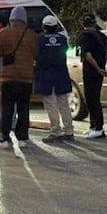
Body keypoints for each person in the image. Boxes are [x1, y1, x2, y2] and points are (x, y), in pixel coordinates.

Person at [0, 6, 39, 149]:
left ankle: (4, 138)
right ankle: (22, 138)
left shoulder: (4, 33)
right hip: (26, 78)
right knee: (23, 109)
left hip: (8, 77)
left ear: (11, 18)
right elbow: (36, 53)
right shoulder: (31, 34)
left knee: (7, 109)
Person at [35, 15, 74, 143]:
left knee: (50, 104)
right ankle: (69, 131)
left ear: (43, 26)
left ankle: (55, 131)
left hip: (46, 75)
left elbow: (36, 56)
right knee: (63, 103)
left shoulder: (40, 40)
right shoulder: (63, 39)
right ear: (56, 26)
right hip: (61, 74)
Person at [78, 14, 107, 140]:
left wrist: (97, 68)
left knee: (92, 99)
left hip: (91, 71)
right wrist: (102, 67)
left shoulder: (85, 36)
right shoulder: (102, 36)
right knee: (94, 97)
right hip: (100, 71)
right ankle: (93, 125)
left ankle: (98, 128)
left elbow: (87, 55)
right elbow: (106, 53)